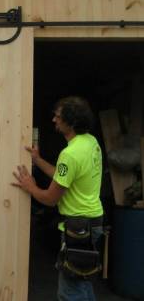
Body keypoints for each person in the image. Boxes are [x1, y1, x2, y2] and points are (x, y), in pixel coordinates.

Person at [12, 96, 104, 301]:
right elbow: (64, 176)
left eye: (58, 116)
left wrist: (31, 187)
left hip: (78, 230)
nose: (54, 119)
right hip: (92, 224)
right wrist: (38, 160)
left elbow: (50, 199)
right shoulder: (90, 142)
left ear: (70, 122)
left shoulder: (70, 154)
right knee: (83, 285)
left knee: (70, 292)